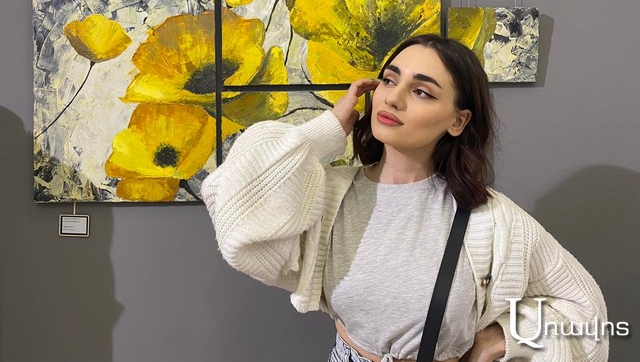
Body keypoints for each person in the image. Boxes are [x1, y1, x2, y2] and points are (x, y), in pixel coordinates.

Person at [202, 34, 608, 362]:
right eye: (390, 80)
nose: (393, 98)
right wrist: (327, 129)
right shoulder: (329, 195)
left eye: (422, 92)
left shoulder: (491, 218)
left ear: (458, 120)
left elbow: (585, 312)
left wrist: (500, 339)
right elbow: (228, 194)